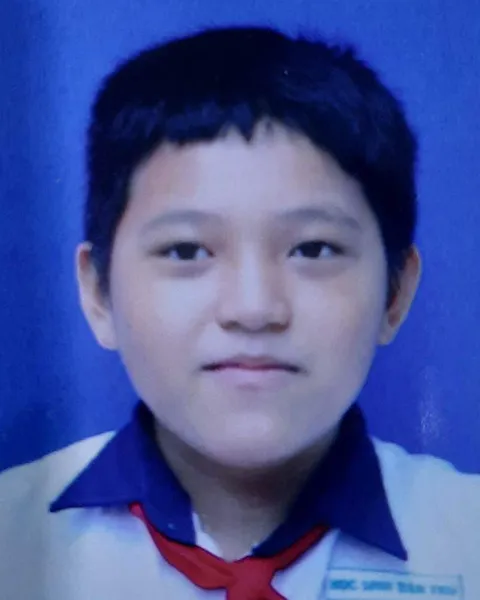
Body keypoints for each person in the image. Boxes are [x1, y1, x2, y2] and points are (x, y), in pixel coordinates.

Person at [0, 25, 478, 600]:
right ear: (99, 292)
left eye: (313, 249)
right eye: (186, 251)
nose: (253, 309)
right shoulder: (14, 542)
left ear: (395, 292)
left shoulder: (467, 539)